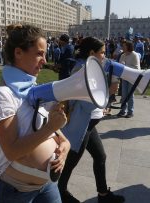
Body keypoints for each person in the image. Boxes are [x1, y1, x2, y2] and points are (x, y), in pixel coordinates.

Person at [0, 24, 70, 203]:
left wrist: (65, 147)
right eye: (39, 53)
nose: (44, 60)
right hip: (14, 191)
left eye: (44, 54)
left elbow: (58, 135)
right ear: (18, 53)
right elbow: (12, 152)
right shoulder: (3, 95)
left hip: (46, 187)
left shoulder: (34, 90)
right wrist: (50, 128)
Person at [58, 36, 125, 203]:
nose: (105, 55)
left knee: (100, 157)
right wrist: (107, 93)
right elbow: (84, 102)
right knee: (70, 161)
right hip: (82, 124)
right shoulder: (81, 70)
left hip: (89, 123)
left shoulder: (90, 68)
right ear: (91, 53)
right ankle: (59, 193)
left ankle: (103, 194)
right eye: (102, 52)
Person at [117, 40, 141, 118]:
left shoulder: (134, 55)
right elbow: (120, 66)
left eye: (124, 46)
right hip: (124, 77)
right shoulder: (122, 55)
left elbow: (136, 68)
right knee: (124, 95)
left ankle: (130, 111)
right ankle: (123, 110)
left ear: (128, 47)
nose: (122, 47)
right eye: (122, 46)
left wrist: (125, 66)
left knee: (130, 95)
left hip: (133, 77)